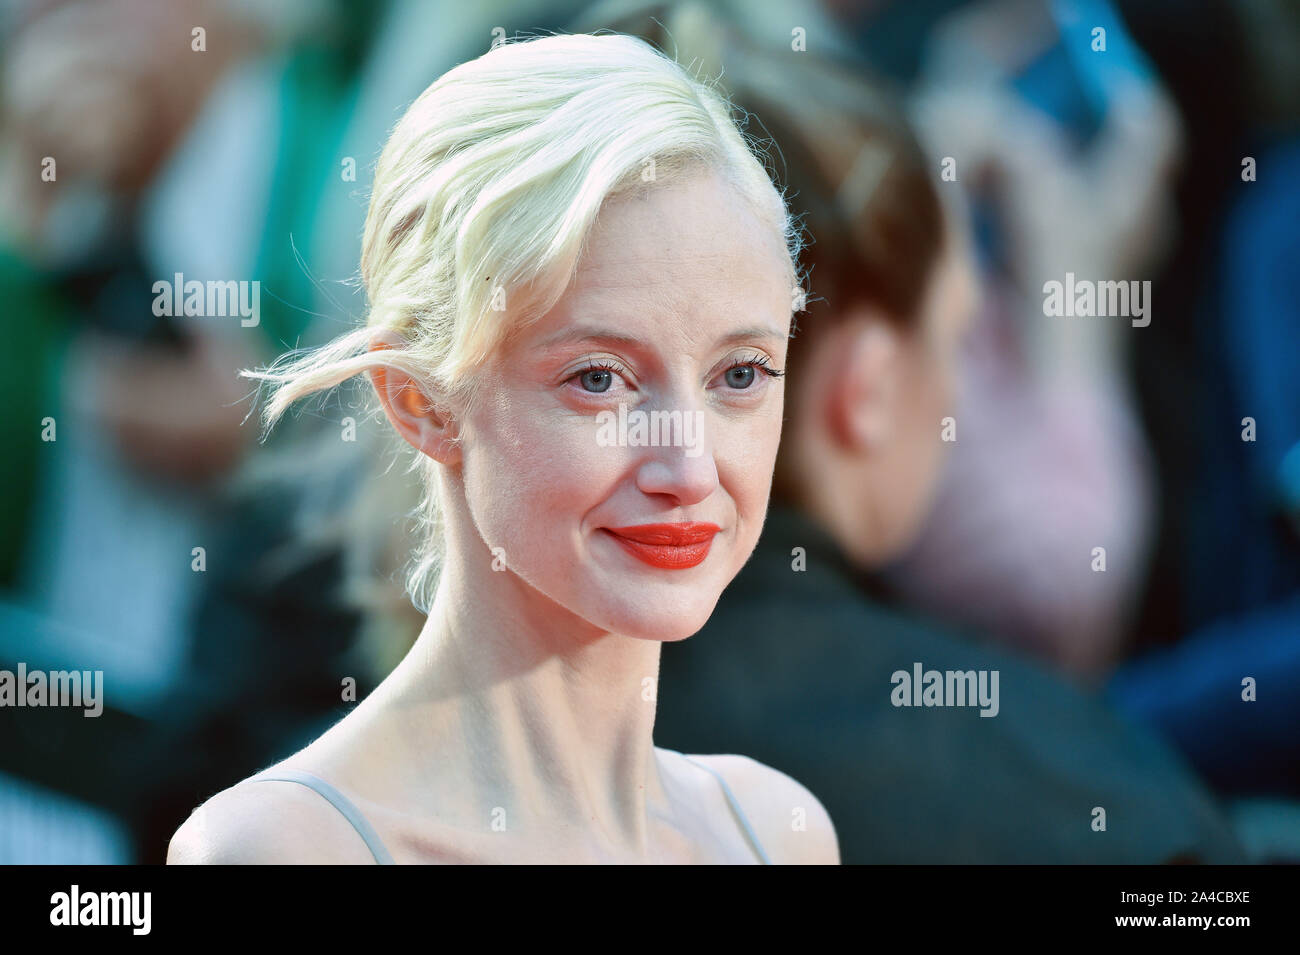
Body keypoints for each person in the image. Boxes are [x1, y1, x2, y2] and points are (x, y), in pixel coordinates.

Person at [166, 31, 839, 864]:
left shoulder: (776, 830)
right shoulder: (288, 849)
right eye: (599, 379)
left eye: (740, 374)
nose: (690, 468)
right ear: (422, 403)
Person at [603, 8, 1246, 863]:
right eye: (955, 332)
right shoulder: (1104, 800)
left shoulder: (432, 736)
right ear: (862, 392)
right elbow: (1052, 584)